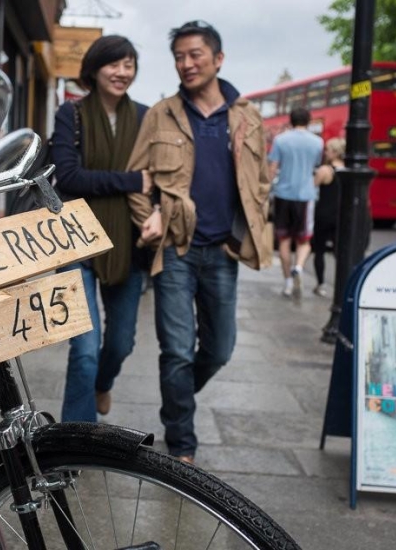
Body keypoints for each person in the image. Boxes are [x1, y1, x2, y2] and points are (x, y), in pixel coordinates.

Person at [126, 20, 271, 464]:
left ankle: (175, 403)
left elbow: (261, 181)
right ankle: (182, 442)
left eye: (195, 55)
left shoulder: (247, 117)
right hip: (176, 250)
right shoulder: (162, 113)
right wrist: (146, 217)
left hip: (223, 251)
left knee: (219, 349)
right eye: (179, 57)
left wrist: (250, 231)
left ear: (218, 59)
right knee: (175, 351)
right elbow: (137, 179)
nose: (186, 64)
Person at [51, 35, 152, 422]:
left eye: (129, 65)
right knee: (85, 348)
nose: (122, 72)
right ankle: (76, 440)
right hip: (77, 241)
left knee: (122, 343)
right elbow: (70, 177)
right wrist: (129, 181)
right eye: (115, 64)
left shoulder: (145, 117)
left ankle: (102, 385)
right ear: (94, 68)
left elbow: (155, 178)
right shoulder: (71, 115)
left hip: (129, 242)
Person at [267, 107, 323, 298]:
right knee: (304, 240)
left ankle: (287, 283)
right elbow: (316, 166)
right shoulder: (317, 142)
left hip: (283, 194)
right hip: (306, 196)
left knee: (283, 240)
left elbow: (273, 168)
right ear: (309, 120)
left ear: (290, 120)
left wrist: (265, 191)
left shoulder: (281, 140)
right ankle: (298, 267)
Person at [311, 137, 344, 297]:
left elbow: (312, 187)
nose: (325, 152)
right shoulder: (346, 169)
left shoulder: (325, 170)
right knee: (340, 252)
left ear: (335, 152)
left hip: (323, 214)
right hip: (340, 215)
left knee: (319, 251)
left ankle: (321, 284)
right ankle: (342, 284)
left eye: (328, 150)